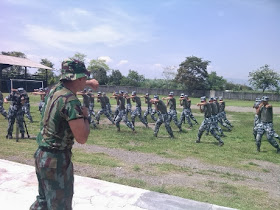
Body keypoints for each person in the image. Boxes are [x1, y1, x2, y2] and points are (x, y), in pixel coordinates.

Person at [30, 59, 99, 210]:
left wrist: (89, 83)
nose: (86, 81)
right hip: (57, 161)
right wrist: (86, 116)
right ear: (79, 78)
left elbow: (72, 83)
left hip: (41, 155)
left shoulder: (54, 90)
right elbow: (82, 138)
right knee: (60, 206)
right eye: (84, 78)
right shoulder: (70, 101)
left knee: (43, 201)